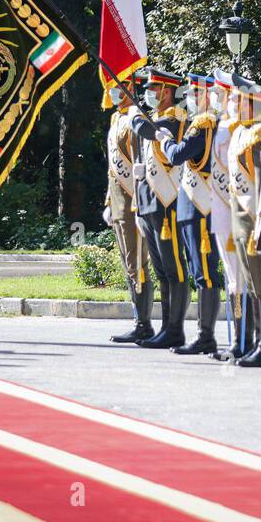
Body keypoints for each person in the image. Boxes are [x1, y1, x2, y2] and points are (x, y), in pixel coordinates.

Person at [156, 72, 225, 355]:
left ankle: (205, 336)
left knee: (204, 275)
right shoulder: (204, 125)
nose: (191, 99)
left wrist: (164, 140)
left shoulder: (204, 126)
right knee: (201, 273)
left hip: (199, 208)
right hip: (192, 208)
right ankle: (202, 334)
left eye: (197, 94)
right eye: (191, 94)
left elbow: (176, 155)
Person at [131, 68, 190, 349]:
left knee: (174, 268)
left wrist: (133, 114)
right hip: (151, 204)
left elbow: (145, 129)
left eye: (152, 90)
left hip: (169, 206)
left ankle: (175, 329)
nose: (148, 94)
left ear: (166, 91)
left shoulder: (175, 121)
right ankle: (166, 327)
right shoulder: (156, 118)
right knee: (161, 270)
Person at [227, 74, 261, 367]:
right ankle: (258, 342)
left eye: (239, 99)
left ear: (254, 103)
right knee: (252, 281)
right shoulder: (241, 132)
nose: (234, 103)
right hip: (241, 220)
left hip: (256, 218)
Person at [104, 76, 155, 343]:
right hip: (118, 202)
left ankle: (144, 323)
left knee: (138, 263)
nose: (113, 91)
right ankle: (138, 319)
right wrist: (108, 202)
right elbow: (112, 167)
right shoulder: (116, 119)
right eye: (112, 87)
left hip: (134, 200)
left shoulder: (137, 119)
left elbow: (141, 160)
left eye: (119, 86)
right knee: (127, 263)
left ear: (131, 88)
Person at [209, 69, 251, 359]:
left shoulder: (238, 130)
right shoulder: (223, 127)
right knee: (232, 278)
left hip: (235, 211)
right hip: (222, 213)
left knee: (240, 278)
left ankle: (244, 341)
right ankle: (238, 339)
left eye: (232, 96)